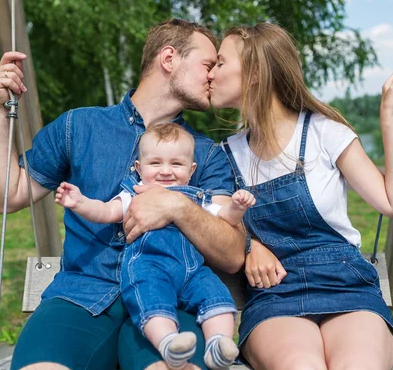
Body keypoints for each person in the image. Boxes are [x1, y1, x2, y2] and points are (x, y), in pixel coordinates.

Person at [0, 19, 246, 370]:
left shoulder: (206, 155)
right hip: (81, 298)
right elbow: (4, 195)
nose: (214, 75)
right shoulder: (78, 127)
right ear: (168, 59)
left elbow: (232, 255)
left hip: (171, 302)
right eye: (207, 64)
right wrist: (2, 110)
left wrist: (174, 204)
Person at [207, 22, 393, 369]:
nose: (211, 74)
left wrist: (388, 118)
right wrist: (249, 244)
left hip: (347, 286)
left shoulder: (324, 132)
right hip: (276, 293)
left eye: (220, 63)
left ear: (255, 72)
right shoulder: (226, 155)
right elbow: (213, 217)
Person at [54, 122, 256, 369]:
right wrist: (80, 202)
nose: (166, 171)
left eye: (176, 164)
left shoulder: (195, 198)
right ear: (139, 167)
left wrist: (237, 206)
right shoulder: (134, 194)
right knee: (152, 302)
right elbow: (106, 212)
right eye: (155, 163)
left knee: (217, 298)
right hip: (149, 267)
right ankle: (167, 343)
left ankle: (218, 344)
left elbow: (224, 217)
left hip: (193, 271)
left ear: (192, 170)